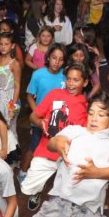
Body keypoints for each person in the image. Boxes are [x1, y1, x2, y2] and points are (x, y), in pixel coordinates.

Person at [21, 62, 90, 211]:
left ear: (85, 82)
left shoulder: (86, 107)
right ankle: (37, 191)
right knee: (28, 187)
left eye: (76, 80)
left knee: (67, 191)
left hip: (67, 156)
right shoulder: (55, 94)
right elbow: (33, 116)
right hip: (45, 150)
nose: (71, 83)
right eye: (68, 79)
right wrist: (40, 123)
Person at [18, 43, 67, 183]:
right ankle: (23, 172)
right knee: (34, 146)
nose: (57, 62)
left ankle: (48, 176)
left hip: (58, 121)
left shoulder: (65, 76)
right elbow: (29, 96)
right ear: (48, 57)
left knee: (55, 148)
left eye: (61, 59)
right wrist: (38, 114)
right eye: (54, 57)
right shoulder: (38, 74)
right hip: (40, 120)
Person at [0, 32, 22, 143]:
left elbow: (17, 86)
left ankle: (13, 151)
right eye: (1, 44)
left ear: (12, 46)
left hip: (10, 98)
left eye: (6, 44)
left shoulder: (14, 63)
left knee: (9, 126)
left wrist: (12, 107)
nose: (3, 47)